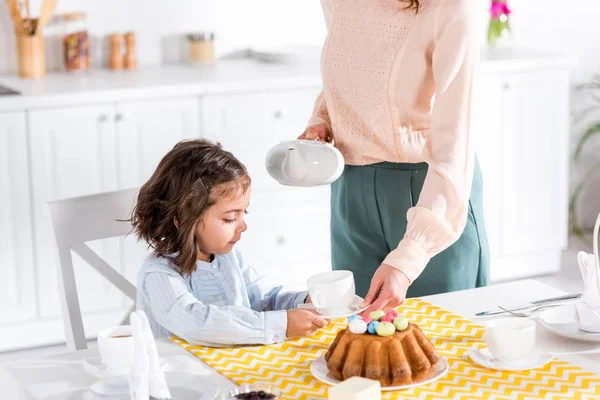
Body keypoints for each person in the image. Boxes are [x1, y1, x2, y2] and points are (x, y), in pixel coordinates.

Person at [299, 0, 490, 315]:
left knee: (442, 343)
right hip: (350, 188)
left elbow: (454, 140)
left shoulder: (451, 6)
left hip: (431, 195)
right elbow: (350, 71)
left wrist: (410, 256)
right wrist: (323, 120)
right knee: (359, 344)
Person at [132, 139, 328, 347]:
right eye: (229, 218)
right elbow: (198, 324)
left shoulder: (229, 258)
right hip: (180, 375)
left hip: (232, 370)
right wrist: (281, 324)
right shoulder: (159, 275)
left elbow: (262, 302)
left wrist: (303, 302)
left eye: (244, 212)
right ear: (184, 220)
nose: (243, 226)